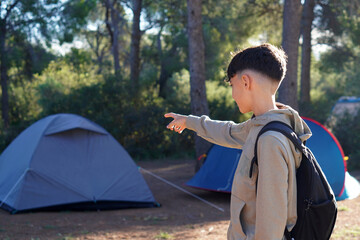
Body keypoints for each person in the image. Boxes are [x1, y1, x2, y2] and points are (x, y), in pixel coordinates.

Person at [164, 43, 312, 240]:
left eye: (232, 85)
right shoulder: (267, 127)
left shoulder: (270, 140)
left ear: (245, 81)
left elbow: (272, 221)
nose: (233, 95)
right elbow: (230, 132)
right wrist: (190, 122)